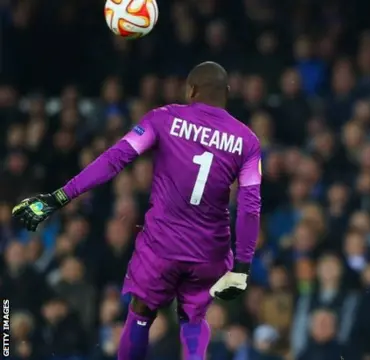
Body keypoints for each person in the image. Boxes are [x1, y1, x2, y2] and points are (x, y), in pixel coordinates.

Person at [11, 62, 262, 360]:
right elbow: (250, 206)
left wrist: (59, 197)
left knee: (141, 312)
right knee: (194, 319)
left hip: (161, 246)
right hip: (210, 251)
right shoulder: (247, 141)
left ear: (191, 90)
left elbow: (114, 159)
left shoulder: (164, 118)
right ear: (227, 93)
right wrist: (242, 267)